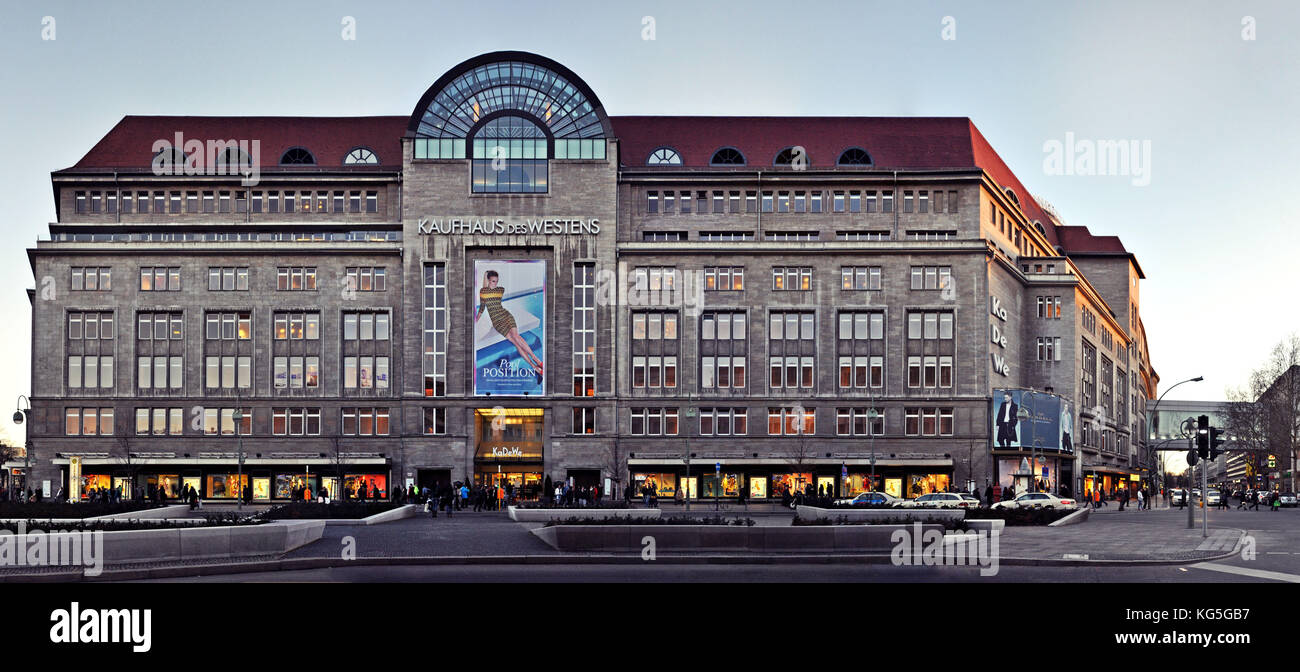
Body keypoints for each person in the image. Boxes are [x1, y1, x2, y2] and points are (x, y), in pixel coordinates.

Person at [475, 269, 543, 380]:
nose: (495, 283)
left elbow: (488, 296)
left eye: (496, 281)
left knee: (517, 337)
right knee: (516, 343)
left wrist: (487, 286)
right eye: (492, 281)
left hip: (506, 315)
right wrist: (476, 320)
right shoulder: (483, 292)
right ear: (488, 280)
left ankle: (538, 361)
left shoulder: (500, 290)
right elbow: (482, 309)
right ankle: (534, 367)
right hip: (497, 321)